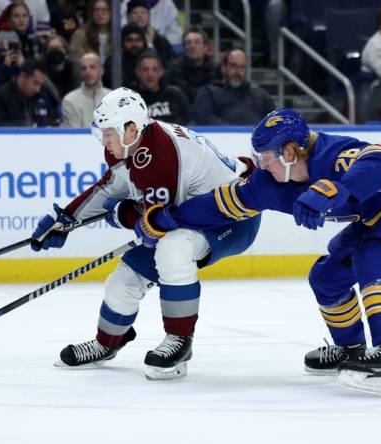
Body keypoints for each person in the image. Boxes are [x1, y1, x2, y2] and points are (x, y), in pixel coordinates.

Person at [138, 108, 381, 396]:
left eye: (266, 156)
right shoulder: (268, 183)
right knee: (326, 277)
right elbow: (219, 204)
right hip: (379, 214)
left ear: (290, 152)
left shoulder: (334, 154)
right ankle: (352, 349)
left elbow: (379, 164)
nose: (261, 164)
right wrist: (167, 218)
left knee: (373, 256)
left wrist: (330, 190)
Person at [32, 87, 260, 380]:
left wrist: (120, 214)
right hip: (188, 214)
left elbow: (157, 225)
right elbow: (111, 187)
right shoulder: (128, 145)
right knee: (124, 278)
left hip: (232, 218)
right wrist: (64, 218)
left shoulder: (161, 155)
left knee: (172, 249)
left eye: (109, 132)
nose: (104, 140)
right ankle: (107, 343)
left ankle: (180, 341)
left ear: (131, 128)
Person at [189, 49, 275, 125]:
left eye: (242, 67)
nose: (238, 71)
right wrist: (232, 132)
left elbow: (275, 120)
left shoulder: (261, 94)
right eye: (233, 66)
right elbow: (203, 118)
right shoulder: (208, 92)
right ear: (224, 67)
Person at [0, 60, 58, 126]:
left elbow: (51, 118)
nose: (38, 89)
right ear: (22, 77)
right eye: (35, 83)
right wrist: (28, 128)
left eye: (40, 85)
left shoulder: (38, 95)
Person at [132, 52, 189, 124]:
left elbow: (188, 122)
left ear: (161, 72)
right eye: (145, 70)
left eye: (154, 69)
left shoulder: (175, 95)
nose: (150, 74)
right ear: (137, 72)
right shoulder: (131, 99)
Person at [164, 26, 217, 103]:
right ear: (183, 47)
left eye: (197, 42)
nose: (192, 46)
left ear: (205, 47)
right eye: (188, 43)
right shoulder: (174, 68)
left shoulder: (214, 68)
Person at [61, 52, 111, 127]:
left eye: (92, 67)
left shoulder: (114, 99)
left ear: (101, 71)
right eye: (83, 68)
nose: (88, 72)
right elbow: (74, 135)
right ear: (80, 72)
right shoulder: (69, 100)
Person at [126, 0, 175, 68]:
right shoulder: (122, 38)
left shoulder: (160, 40)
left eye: (143, 12)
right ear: (129, 17)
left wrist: (150, 45)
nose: (139, 16)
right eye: (135, 12)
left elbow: (169, 64)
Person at [102, 23, 147, 88]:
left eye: (138, 40)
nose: (134, 44)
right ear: (122, 42)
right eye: (129, 40)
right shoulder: (113, 63)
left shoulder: (150, 62)